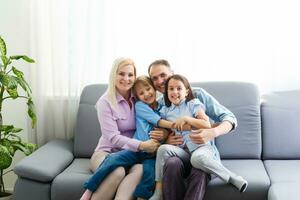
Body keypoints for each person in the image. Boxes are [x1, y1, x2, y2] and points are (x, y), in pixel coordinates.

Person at [148, 59, 238, 200]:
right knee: (172, 163)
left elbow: (230, 118)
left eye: (163, 75)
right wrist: (165, 137)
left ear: (172, 73)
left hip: (202, 153)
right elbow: (155, 134)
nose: (160, 81)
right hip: (179, 154)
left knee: (199, 169)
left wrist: (213, 132)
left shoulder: (197, 96)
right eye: (154, 78)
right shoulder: (159, 105)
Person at [81, 75, 174, 200]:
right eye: (141, 93)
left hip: (152, 154)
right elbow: (158, 121)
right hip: (135, 149)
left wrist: (167, 133)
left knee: (150, 175)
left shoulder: (163, 108)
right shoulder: (140, 106)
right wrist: (176, 125)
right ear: (137, 97)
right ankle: (89, 189)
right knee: (113, 161)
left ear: (154, 88)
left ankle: (142, 197)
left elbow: (167, 124)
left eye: (148, 89)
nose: (146, 94)